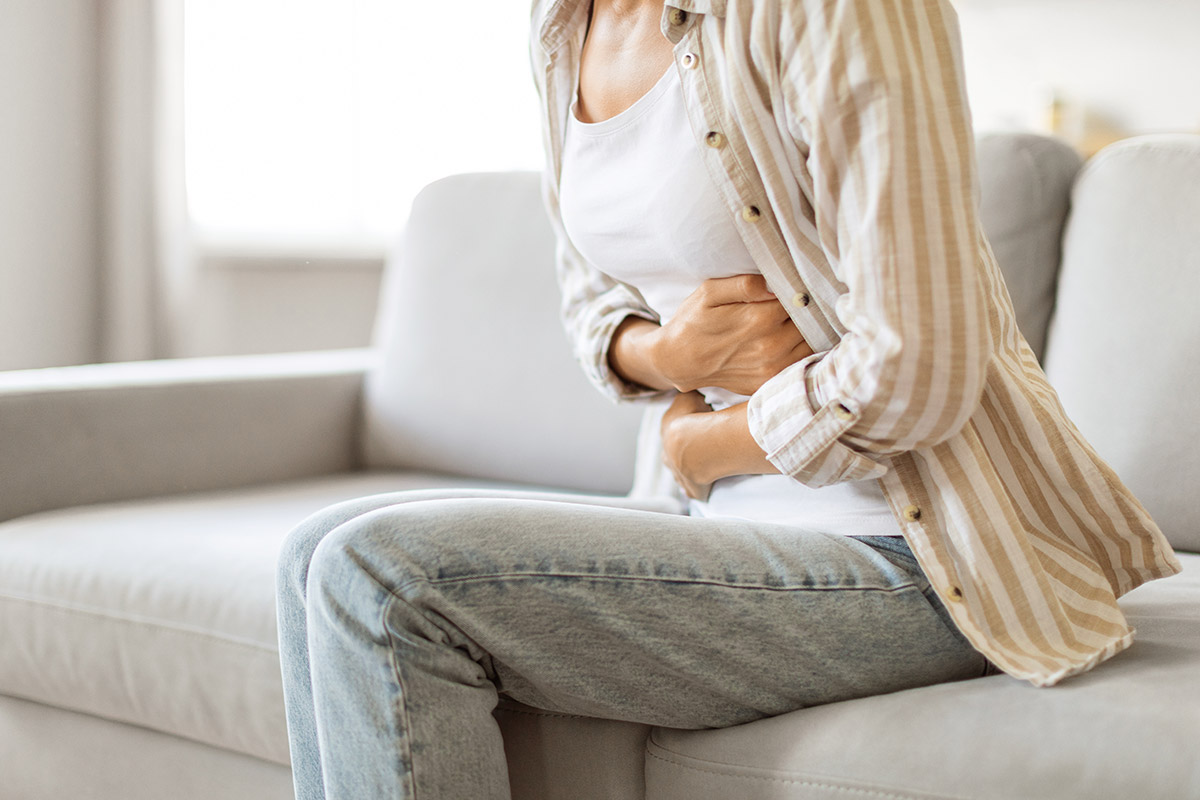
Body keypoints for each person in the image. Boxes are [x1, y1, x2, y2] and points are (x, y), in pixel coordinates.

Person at [275, 1, 1182, 797]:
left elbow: (925, 366)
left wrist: (703, 447)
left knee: (379, 572)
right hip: (706, 525)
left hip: (923, 553)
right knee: (310, 553)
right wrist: (665, 355)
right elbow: (591, 297)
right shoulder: (559, 24)